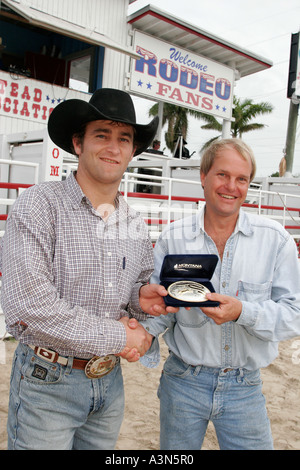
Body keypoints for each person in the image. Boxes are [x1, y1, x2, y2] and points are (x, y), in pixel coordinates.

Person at [0, 88, 177, 450]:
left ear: (132, 151)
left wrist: (140, 298)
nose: (114, 147)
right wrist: (122, 338)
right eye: (102, 135)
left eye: (124, 138)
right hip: (47, 382)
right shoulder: (38, 206)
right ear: (78, 143)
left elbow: (129, 294)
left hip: (109, 384)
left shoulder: (135, 224)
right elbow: (30, 309)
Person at [137, 138, 300, 450]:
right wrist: (138, 335)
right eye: (222, 175)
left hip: (245, 386)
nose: (231, 186)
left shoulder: (276, 241)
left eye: (241, 179)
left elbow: (295, 314)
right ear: (203, 176)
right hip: (182, 382)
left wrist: (242, 312)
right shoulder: (174, 238)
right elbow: (159, 307)